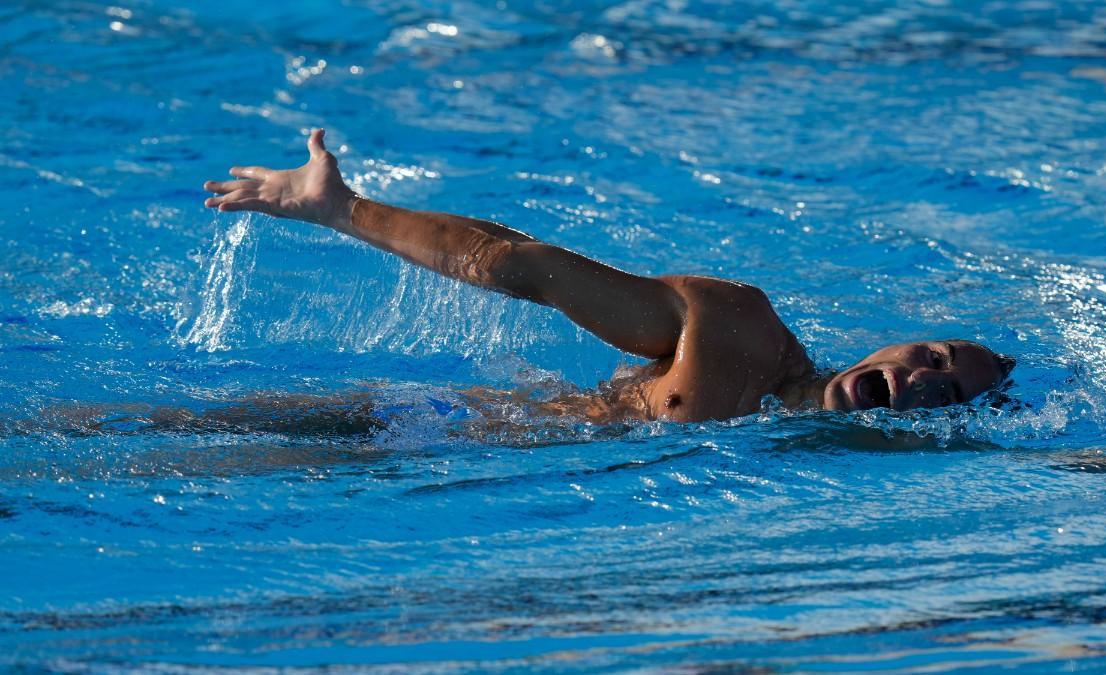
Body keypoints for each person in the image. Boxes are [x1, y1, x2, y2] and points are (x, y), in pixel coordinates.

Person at [201, 130, 1015, 424]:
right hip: (436, 428)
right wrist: (345, 210)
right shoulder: (737, 328)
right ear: (900, 341)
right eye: (935, 356)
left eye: (946, 394)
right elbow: (532, 271)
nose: (919, 381)